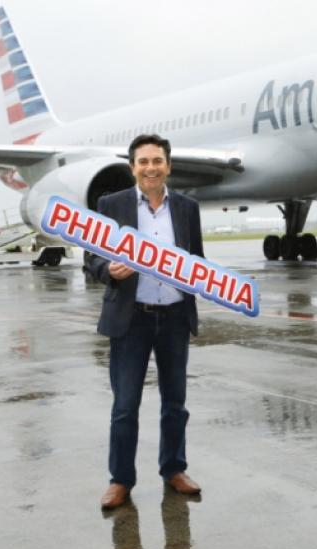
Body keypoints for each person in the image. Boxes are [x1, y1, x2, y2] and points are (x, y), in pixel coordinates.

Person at [85, 134, 204, 510]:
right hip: (130, 319)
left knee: (175, 403)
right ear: (132, 166)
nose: (150, 168)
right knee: (125, 406)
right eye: (143, 161)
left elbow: (197, 260)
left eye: (157, 161)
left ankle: (174, 469)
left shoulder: (186, 208)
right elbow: (91, 260)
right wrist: (109, 269)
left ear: (168, 166)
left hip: (173, 317)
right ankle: (120, 480)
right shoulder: (110, 205)